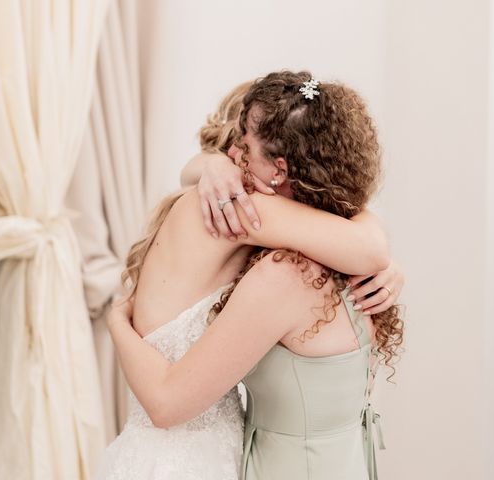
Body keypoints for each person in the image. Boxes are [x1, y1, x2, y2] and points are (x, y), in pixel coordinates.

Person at [98, 71, 403, 480]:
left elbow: (358, 240)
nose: (237, 158)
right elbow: (367, 244)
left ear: (281, 167)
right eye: (235, 149)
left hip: (191, 449)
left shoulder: (228, 209)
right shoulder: (235, 207)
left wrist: (387, 269)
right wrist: (116, 324)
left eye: (243, 148)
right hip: (186, 458)